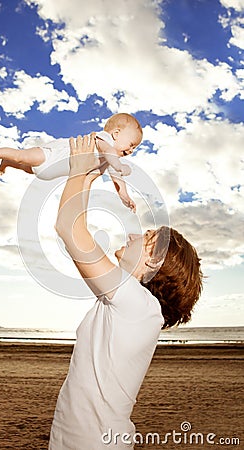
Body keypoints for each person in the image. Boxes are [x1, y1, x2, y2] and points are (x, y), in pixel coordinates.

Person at [49, 134, 203, 449]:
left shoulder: (136, 304)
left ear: (152, 262)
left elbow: (68, 226)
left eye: (144, 237)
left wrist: (79, 170)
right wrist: (91, 174)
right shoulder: (131, 301)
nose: (133, 234)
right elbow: (72, 224)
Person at [0, 113, 143, 212]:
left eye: (134, 148)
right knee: (20, 156)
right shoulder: (104, 140)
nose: (131, 151)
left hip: (48, 173)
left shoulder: (110, 160)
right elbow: (110, 153)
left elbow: (117, 177)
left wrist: (124, 196)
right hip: (51, 156)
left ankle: (7, 163)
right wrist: (119, 165)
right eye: (132, 144)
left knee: (26, 168)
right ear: (116, 134)